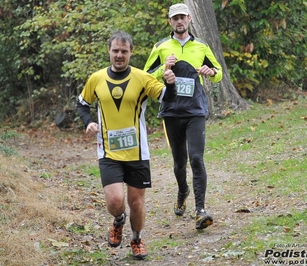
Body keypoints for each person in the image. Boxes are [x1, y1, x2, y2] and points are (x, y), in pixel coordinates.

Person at [77, 30, 177, 259]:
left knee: (137, 204)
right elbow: (82, 103)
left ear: (131, 52)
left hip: (137, 152)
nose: (119, 55)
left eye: (124, 51)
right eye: (115, 51)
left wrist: (170, 83)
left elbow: (167, 98)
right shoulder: (97, 78)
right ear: (109, 52)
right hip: (108, 151)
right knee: (115, 201)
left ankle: (136, 238)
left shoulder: (142, 78)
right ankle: (118, 219)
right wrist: (88, 122)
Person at [143, 3, 223, 230]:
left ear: (189, 19)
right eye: (175, 18)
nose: (179, 21)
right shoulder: (160, 47)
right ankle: (182, 191)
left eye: (183, 17)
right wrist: (163, 70)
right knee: (179, 163)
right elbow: (146, 76)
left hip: (195, 110)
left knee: (196, 158)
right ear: (170, 22)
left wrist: (211, 72)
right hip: (171, 111)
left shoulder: (201, 47)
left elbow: (218, 72)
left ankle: (200, 211)